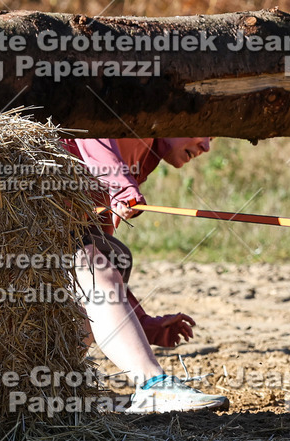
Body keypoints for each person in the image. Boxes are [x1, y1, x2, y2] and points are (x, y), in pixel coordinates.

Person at [62, 136, 230, 413]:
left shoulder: (143, 157)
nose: (207, 146)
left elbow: (103, 275)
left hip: (59, 239)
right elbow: (91, 130)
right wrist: (121, 188)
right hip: (27, 225)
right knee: (94, 261)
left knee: (111, 257)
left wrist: (143, 322)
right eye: (204, 131)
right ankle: (153, 385)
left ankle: (41, 386)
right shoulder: (128, 121)